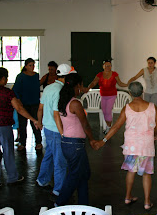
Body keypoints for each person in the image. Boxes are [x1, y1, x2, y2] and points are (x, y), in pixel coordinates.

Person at [94, 82, 157, 211]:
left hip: (131, 146)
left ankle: (128, 197)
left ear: (129, 93)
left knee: (131, 171)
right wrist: (154, 134)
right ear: (142, 91)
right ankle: (147, 202)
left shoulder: (127, 108)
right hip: (146, 145)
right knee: (146, 174)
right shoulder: (152, 107)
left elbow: (116, 126)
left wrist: (103, 140)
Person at [0, 67, 38, 190]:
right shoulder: (7, 92)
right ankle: (12, 177)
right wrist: (33, 119)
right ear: (2, 78)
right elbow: (19, 109)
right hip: (2, 125)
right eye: (6, 78)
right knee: (8, 151)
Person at [55, 73, 96, 206]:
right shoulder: (75, 103)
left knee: (83, 174)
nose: (81, 88)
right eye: (81, 85)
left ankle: (83, 204)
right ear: (77, 85)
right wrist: (92, 140)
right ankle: (59, 203)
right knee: (74, 175)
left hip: (68, 142)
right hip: (75, 145)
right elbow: (85, 124)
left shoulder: (63, 100)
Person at [36, 64, 76, 197]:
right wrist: (62, 133)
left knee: (49, 155)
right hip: (56, 130)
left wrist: (40, 122)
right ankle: (59, 189)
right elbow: (56, 114)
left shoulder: (48, 87)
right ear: (67, 77)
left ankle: (42, 180)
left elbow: (41, 108)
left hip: (48, 128)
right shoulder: (60, 91)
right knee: (60, 161)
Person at [87, 59, 128, 134]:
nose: (107, 67)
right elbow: (94, 82)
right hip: (103, 95)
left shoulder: (114, 74)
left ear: (111, 66)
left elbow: (120, 83)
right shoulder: (99, 74)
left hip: (112, 95)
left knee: (108, 111)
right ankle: (109, 126)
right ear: (103, 66)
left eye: (109, 65)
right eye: (106, 66)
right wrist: (88, 88)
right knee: (104, 111)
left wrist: (127, 84)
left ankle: (109, 128)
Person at [13, 58, 42, 151]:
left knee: (35, 123)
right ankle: (22, 142)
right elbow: (15, 90)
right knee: (22, 124)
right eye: (30, 65)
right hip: (23, 104)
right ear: (25, 66)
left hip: (34, 103)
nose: (32, 67)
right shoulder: (21, 76)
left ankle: (38, 142)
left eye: (33, 65)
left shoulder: (36, 75)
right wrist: (18, 101)